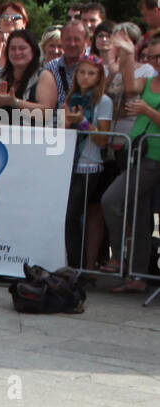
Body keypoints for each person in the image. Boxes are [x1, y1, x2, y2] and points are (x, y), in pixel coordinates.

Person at [101, 30, 160, 291]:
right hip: (137, 151)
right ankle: (138, 276)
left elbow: (143, 107)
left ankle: (121, 257)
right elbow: (129, 87)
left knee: (111, 200)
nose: (156, 62)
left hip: (153, 156)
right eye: (153, 57)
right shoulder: (151, 81)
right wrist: (126, 55)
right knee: (138, 213)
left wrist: (147, 110)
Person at [62, 51, 111, 269]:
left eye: (91, 73)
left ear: (99, 77)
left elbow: (102, 140)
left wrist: (82, 122)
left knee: (73, 215)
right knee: (69, 216)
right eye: (81, 72)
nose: (85, 77)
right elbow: (62, 132)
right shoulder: (70, 98)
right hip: (69, 163)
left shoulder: (104, 101)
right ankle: (74, 263)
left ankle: (79, 266)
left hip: (89, 165)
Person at [0, 28, 44, 111]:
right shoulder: (0, 74)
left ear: (33, 51)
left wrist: (14, 102)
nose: (17, 52)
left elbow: (47, 112)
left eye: (22, 48)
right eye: (13, 49)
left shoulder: (43, 75)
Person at [36, 18, 88, 109]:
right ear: (62, 40)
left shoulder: (95, 66)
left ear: (86, 42)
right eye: (68, 39)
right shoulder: (51, 67)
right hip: (58, 121)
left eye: (77, 39)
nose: (72, 44)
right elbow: (46, 109)